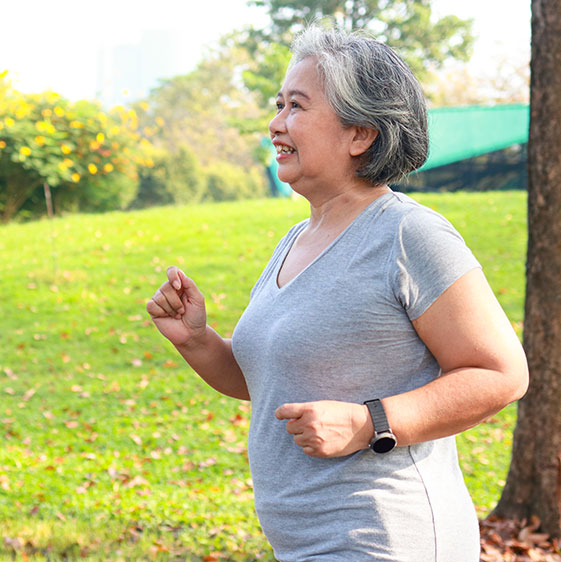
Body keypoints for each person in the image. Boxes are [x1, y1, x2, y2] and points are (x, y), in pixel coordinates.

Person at [146, 26, 529, 562]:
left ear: (360, 134)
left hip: (388, 539)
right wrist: (197, 340)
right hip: (307, 544)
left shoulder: (408, 235)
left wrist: (366, 422)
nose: (276, 124)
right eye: (278, 104)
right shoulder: (296, 240)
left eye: (296, 107)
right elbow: (273, 384)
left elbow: (501, 373)